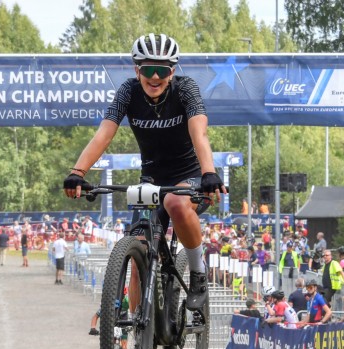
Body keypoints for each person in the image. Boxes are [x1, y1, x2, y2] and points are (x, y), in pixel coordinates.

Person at [63, 33, 225, 316]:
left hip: (192, 175)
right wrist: (78, 172)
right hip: (152, 178)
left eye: (161, 71)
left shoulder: (185, 89)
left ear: (172, 72)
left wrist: (209, 172)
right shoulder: (128, 91)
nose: (154, 77)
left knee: (175, 201)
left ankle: (198, 274)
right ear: (136, 70)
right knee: (139, 250)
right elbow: (105, 132)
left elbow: (200, 133)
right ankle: (140, 337)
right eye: (147, 69)